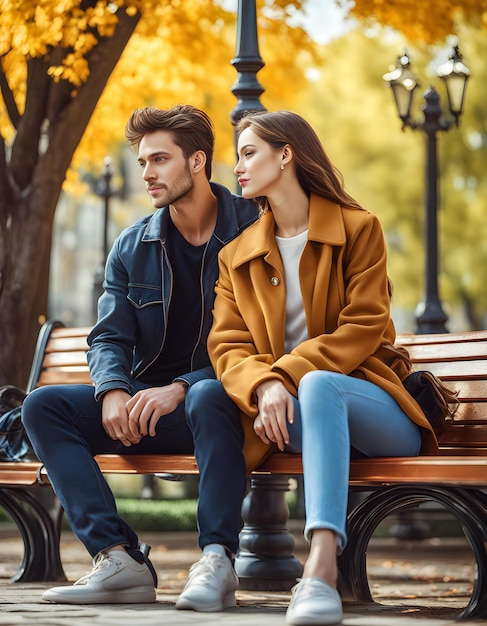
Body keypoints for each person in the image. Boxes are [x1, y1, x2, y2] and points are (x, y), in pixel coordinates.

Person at [181, 110, 438, 624]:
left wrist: (282, 375)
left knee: (321, 383)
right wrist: (262, 383)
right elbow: (226, 346)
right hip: (294, 420)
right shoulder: (237, 256)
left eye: (249, 152)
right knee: (208, 394)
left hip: (376, 414)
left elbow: (363, 327)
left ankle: (320, 569)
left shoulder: (359, 229)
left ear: (286, 154)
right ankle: (215, 560)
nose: (237, 167)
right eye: (237, 156)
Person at [21, 104, 258, 605]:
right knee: (43, 405)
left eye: (159, 160)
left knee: (207, 394)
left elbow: (264, 342)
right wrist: (112, 392)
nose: (146, 173)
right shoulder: (133, 245)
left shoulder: (253, 229)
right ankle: (118, 557)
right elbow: (109, 336)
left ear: (197, 162)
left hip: (230, 405)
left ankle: (217, 558)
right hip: (149, 410)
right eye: (142, 161)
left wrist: (182, 387)